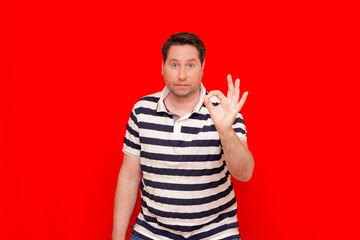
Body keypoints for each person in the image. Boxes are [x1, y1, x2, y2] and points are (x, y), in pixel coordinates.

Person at [112, 32, 254, 240]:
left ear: (203, 67)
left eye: (190, 65)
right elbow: (129, 177)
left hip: (216, 234)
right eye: (174, 64)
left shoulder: (224, 111)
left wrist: (226, 132)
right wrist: (117, 236)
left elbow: (245, 173)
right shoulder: (142, 110)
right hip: (152, 233)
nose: (181, 75)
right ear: (162, 67)